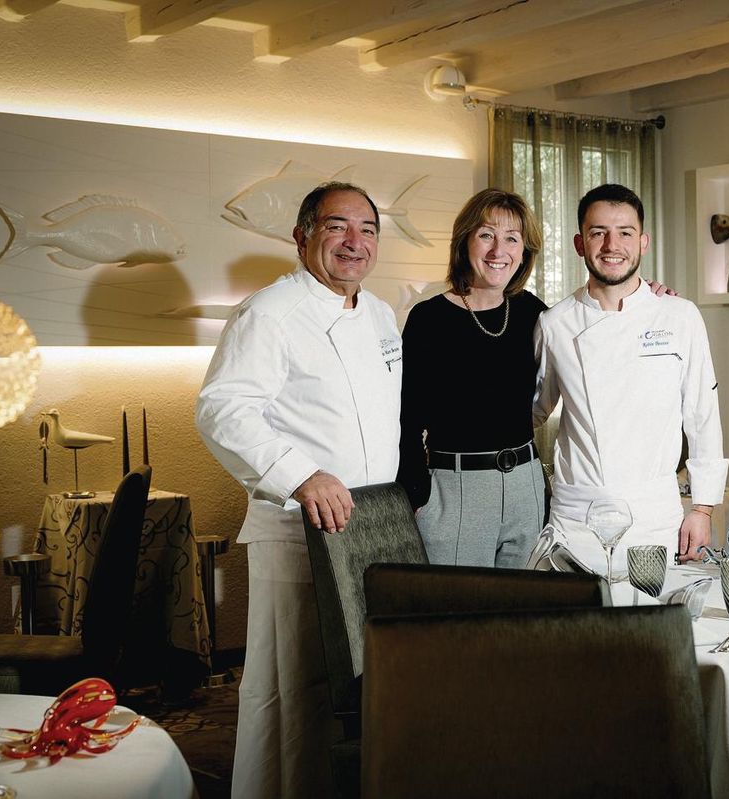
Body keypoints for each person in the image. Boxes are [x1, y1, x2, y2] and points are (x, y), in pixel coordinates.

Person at [195, 181, 401, 799]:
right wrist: (300, 474)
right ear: (303, 235)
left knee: (356, 687)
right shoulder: (270, 312)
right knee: (289, 686)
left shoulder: (382, 314)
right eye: (336, 227)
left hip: (369, 530)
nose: (353, 242)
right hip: (296, 529)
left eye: (366, 229)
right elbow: (222, 410)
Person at [533, 183, 728, 572]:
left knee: (654, 627)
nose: (611, 245)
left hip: (655, 517)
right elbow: (531, 412)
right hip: (576, 521)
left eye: (625, 233)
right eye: (598, 233)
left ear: (643, 242)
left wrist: (703, 509)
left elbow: (702, 416)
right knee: (573, 629)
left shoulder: (679, 316)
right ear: (579, 243)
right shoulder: (554, 324)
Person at [397, 188, 547, 567]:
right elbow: (406, 419)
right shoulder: (428, 319)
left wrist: (651, 296)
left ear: (524, 250)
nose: (499, 251)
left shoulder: (533, 312)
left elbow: (592, 326)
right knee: (460, 620)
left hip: (526, 486)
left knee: (521, 619)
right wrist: (417, 498)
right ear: (464, 241)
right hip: (456, 489)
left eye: (512, 238)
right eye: (486, 235)